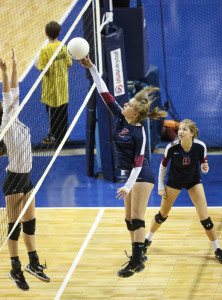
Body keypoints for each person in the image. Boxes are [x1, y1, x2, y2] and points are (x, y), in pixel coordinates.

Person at [78, 55, 167, 277]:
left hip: (141, 176)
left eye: (129, 104)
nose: (124, 104)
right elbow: (104, 93)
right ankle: (138, 256)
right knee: (129, 219)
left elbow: (138, 162)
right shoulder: (119, 117)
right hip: (129, 176)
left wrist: (127, 185)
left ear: (135, 113)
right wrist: (92, 68)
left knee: (136, 218)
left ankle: (137, 262)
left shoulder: (140, 132)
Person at [0, 49, 50, 291]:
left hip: (27, 179)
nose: (10, 104)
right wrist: (3, 71)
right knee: (14, 226)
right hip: (14, 181)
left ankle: (33, 263)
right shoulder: (6, 125)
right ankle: (15, 267)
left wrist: (14, 66)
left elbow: (14, 93)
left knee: (30, 222)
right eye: (7, 105)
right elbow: (8, 95)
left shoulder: (15, 119)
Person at [144, 119, 222, 264]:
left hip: (193, 181)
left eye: (185, 129)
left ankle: (217, 249)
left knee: (205, 219)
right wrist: (160, 187)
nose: (180, 132)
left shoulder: (200, 147)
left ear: (192, 133)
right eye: (180, 129)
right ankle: (147, 240)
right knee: (162, 215)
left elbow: (204, 166)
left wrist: (206, 169)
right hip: (175, 182)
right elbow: (163, 167)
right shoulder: (172, 147)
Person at [38, 21, 72, 145]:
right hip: (63, 87)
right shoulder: (63, 47)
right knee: (63, 112)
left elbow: (44, 70)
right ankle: (64, 136)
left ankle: (53, 137)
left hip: (50, 90)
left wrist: (39, 66)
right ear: (59, 32)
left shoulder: (45, 50)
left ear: (46, 33)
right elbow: (69, 63)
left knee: (53, 114)